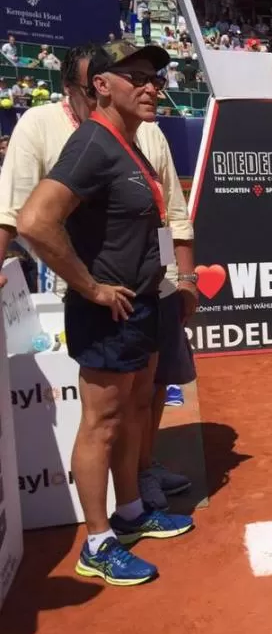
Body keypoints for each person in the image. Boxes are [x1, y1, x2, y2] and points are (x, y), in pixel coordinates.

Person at [16, 41, 194, 586]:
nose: (151, 86)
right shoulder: (93, 142)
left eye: (156, 79)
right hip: (108, 312)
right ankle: (97, 544)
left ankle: (132, 513)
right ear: (102, 85)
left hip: (140, 305)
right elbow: (34, 221)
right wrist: (91, 288)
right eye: (136, 77)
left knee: (135, 412)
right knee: (102, 424)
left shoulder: (131, 143)